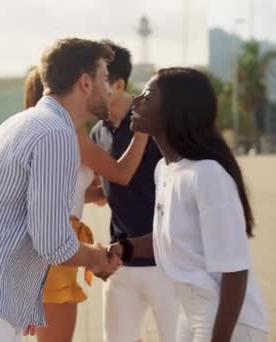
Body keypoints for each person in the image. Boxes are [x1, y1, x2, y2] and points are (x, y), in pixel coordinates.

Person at [0, 38, 122, 342]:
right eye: (105, 78)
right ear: (85, 82)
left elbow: (17, 220)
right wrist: (97, 257)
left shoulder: (22, 123)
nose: (110, 89)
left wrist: (25, 301)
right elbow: (52, 242)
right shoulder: (56, 135)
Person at [113, 67, 268, 342]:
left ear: (174, 110)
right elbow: (172, 237)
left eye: (147, 97)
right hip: (190, 309)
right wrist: (124, 249)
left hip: (228, 318)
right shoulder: (165, 169)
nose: (135, 102)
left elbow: (235, 271)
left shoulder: (207, 175)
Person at [23, 66, 148, 342]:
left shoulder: (48, 133)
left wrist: (105, 192)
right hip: (56, 242)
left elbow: (72, 192)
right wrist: (142, 131)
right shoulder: (66, 134)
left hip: (58, 239)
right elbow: (120, 173)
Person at [91, 41, 179, 342]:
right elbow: (108, 188)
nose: (88, 90)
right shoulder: (97, 131)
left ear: (117, 84)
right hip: (122, 263)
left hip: (166, 263)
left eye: (96, 82)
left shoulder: (154, 125)